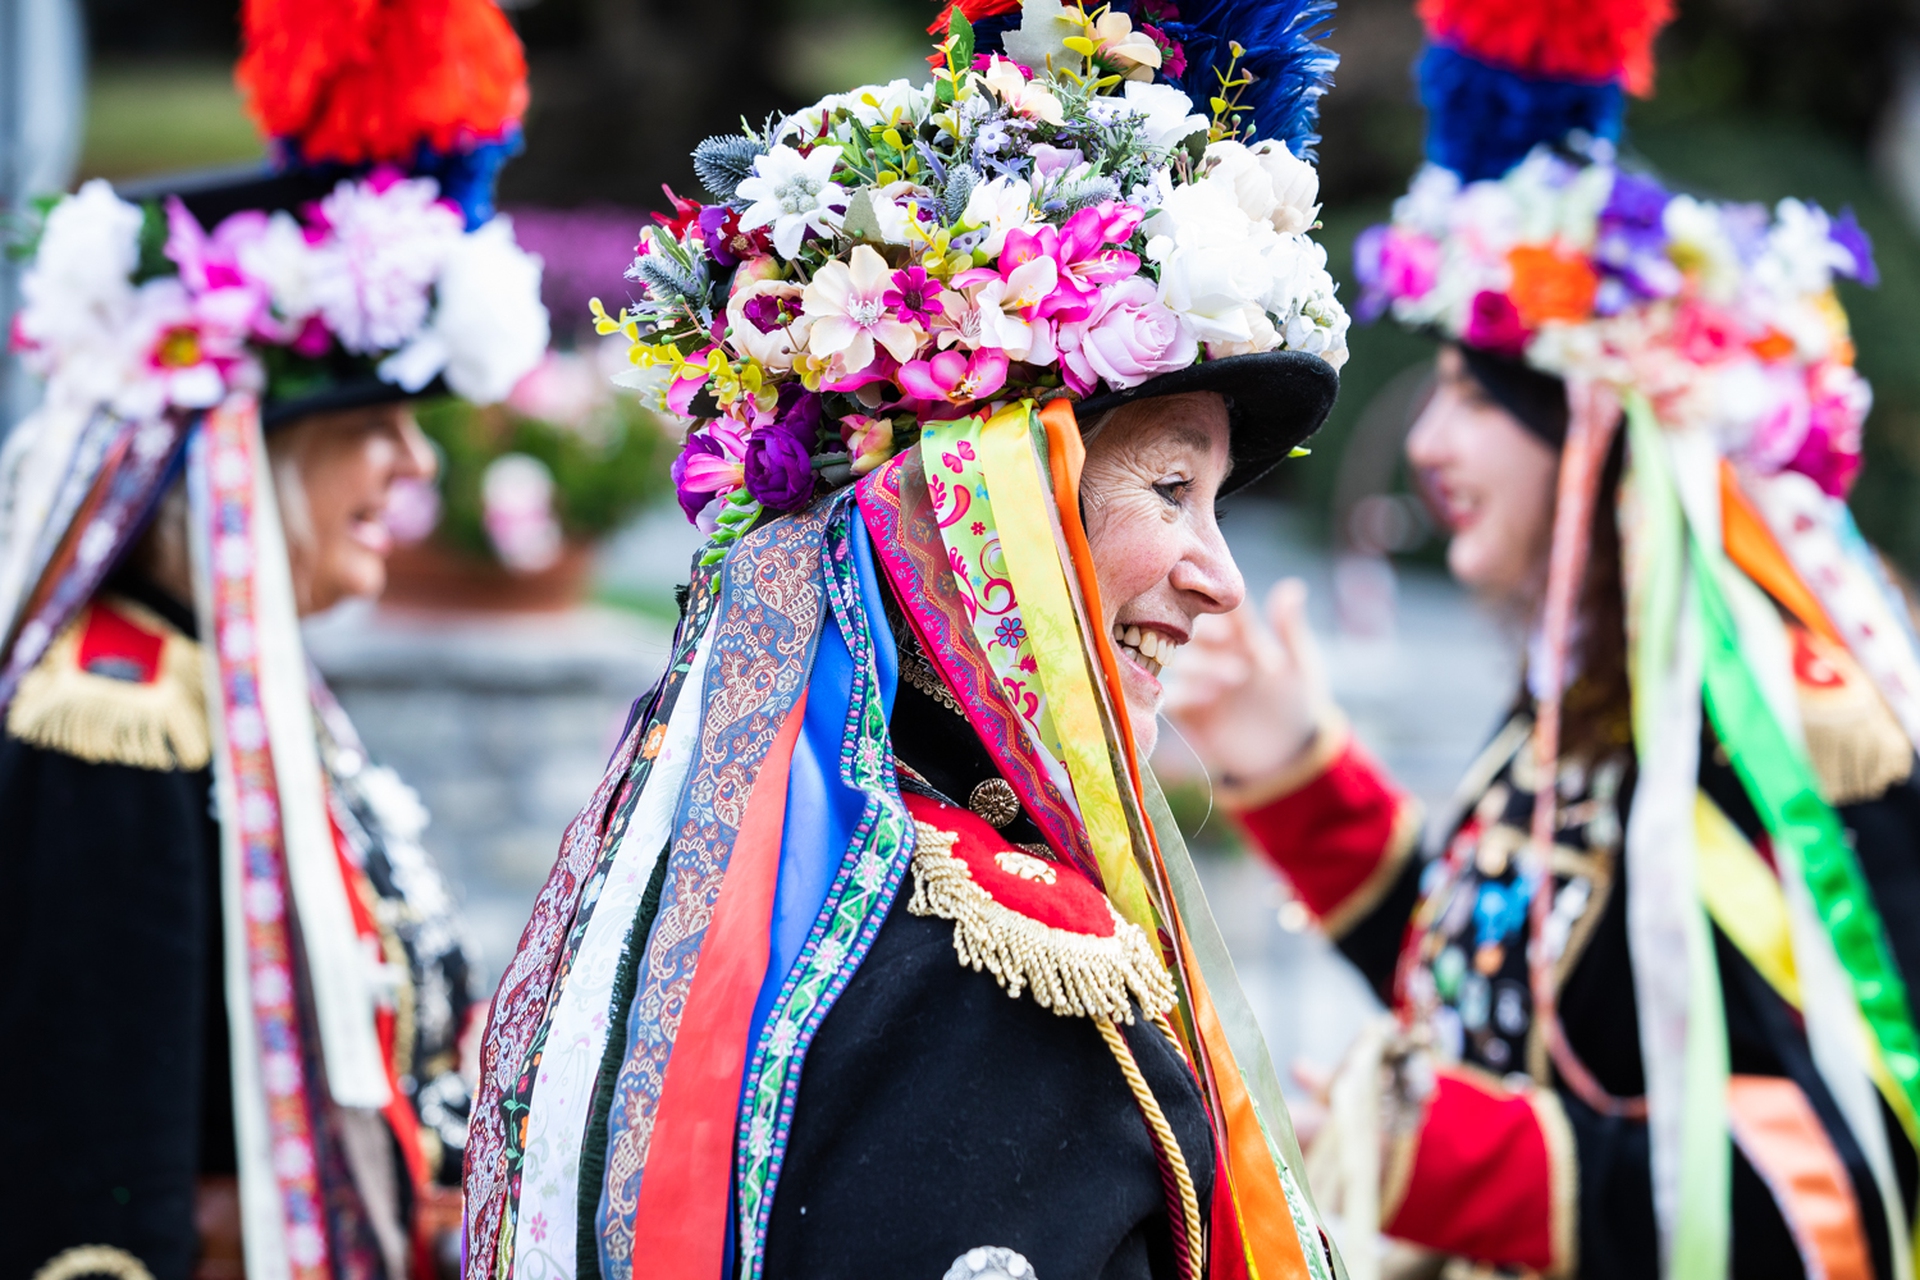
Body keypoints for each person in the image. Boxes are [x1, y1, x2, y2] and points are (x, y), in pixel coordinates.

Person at [462, 2, 1354, 1277]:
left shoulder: (805, 889)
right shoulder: (991, 971)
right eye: (1171, 488)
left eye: (1217, 502)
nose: (1220, 578)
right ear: (979, 509)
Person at [1166, 0, 1919, 1276]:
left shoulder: (1787, 733)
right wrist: (1294, 765)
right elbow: (1504, 982)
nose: (1427, 443)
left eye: (1474, 398)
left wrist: (1445, 1158)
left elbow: (1850, 1181)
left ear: (1600, 443)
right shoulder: (1594, 688)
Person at [0, 2, 549, 1277]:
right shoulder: (117, 720)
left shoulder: (237, 685)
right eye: (376, 427)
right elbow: (96, 1196)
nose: (416, 464)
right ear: (244, 452)